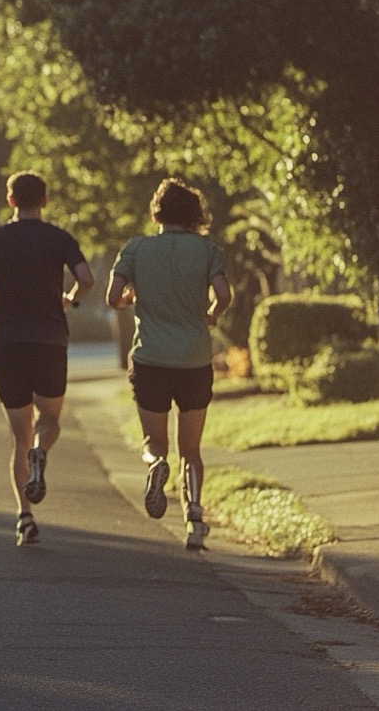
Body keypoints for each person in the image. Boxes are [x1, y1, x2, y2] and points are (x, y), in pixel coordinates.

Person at [105, 177, 232, 551]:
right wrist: (210, 314)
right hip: (194, 358)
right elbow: (224, 294)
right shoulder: (207, 251)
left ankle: (154, 465)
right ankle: (194, 518)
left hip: (151, 360)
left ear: (155, 212)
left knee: (154, 442)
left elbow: (113, 297)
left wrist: (130, 298)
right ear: (195, 216)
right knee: (190, 450)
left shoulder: (136, 248)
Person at [0, 171, 94, 546]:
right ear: (43, 201)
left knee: (18, 436)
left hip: (8, 343)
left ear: (10, 201)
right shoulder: (59, 238)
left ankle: (25, 517)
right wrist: (70, 299)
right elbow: (86, 277)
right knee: (49, 421)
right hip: (50, 342)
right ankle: (41, 453)